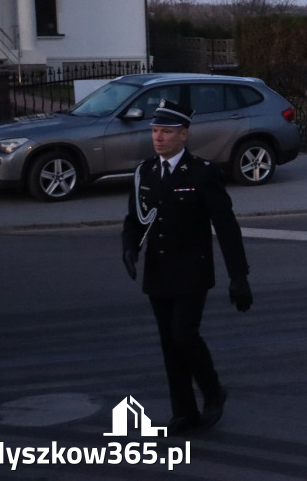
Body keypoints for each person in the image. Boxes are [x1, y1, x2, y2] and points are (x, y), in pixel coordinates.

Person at [121, 99, 252, 436]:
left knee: (184, 334)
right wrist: (129, 246)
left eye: (166, 131)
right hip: (158, 271)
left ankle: (212, 390)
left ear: (183, 134)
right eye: (154, 131)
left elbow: (226, 226)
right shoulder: (146, 171)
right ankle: (183, 411)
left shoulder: (202, 173)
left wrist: (239, 276)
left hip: (192, 271)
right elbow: (135, 217)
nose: (158, 137)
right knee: (169, 343)